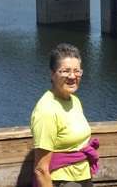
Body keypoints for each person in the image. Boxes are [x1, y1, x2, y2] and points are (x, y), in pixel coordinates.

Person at [30, 43, 99, 187]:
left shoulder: (74, 101)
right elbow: (40, 170)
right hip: (61, 182)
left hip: (82, 178)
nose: (72, 76)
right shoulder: (47, 110)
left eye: (77, 71)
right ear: (52, 74)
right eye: (65, 71)